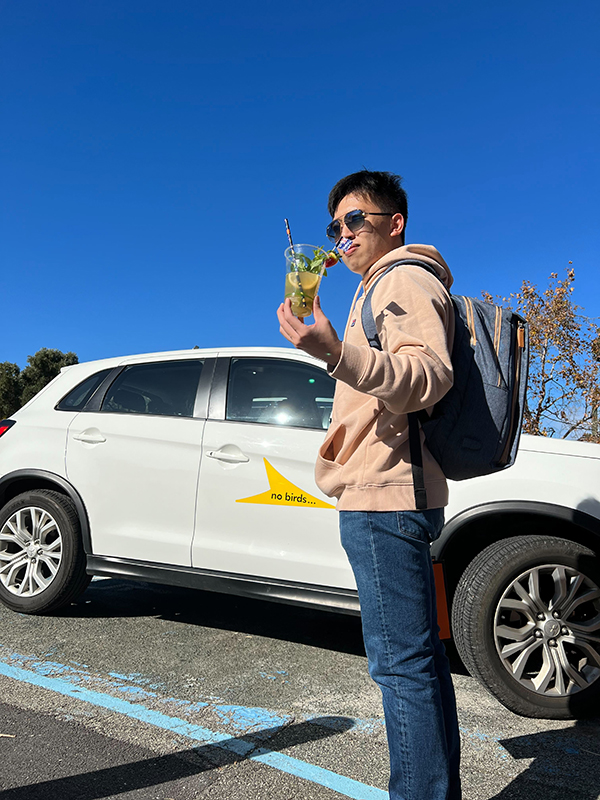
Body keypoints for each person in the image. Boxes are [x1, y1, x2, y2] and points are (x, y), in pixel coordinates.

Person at [277, 170, 461, 800]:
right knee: (421, 663)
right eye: (335, 226)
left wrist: (335, 354)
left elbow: (426, 376)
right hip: (393, 492)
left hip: (386, 494)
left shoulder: (400, 277)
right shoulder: (374, 289)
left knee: (401, 667)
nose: (342, 234)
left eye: (355, 220)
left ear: (394, 223)